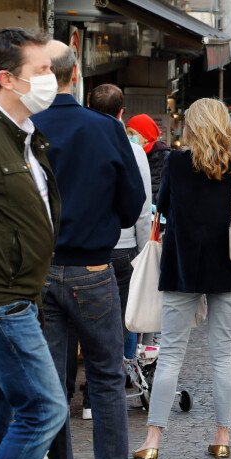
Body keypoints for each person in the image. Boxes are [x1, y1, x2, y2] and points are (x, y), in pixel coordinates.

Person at [33, 40, 145, 459]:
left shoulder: (28, 126)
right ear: (74, 74)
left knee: (54, 385)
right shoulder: (105, 128)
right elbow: (132, 200)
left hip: (42, 268)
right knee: (105, 380)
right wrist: (103, 223)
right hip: (94, 268)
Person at [133, 98, 231, 459]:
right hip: (228, 266)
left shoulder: (176, 163)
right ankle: (222, 435)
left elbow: (163, 205)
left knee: (170, 355)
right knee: (222, 355)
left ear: (191, 126)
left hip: (183, 265)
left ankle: (152, 440)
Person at [0, 27, 67, 459]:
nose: (51, 80)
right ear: (7, 79)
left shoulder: (28, 136)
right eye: (41, 71)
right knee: (45, 410)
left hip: (25, 296)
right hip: (4, 301)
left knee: (3, 414)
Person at [88, 84, 153, 361]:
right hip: (123, 247)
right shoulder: (135, 151)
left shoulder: (80, 142)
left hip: (86, 246)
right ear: (122, 113)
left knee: (88, 320)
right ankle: (122, 370)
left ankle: (96, 383)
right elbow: (142, 206)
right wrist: (142, 250)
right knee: (124, 315)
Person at [127, 113, 170, 203]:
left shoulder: (165, 157)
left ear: (146, 136)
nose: (128, 137)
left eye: (132, 133)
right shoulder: (130, 156)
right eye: (127, 133)